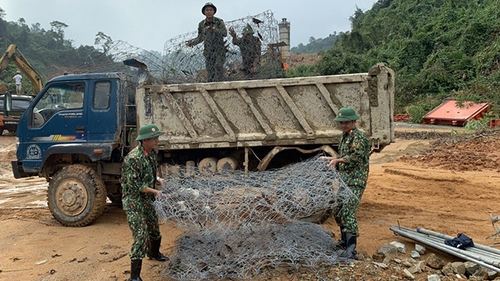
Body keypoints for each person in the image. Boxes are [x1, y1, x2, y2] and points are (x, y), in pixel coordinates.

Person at [320, 107, 370, 261]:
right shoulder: (344, 136)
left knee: (348, 211)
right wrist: (331, 159)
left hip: (355, 181)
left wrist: (337, 160)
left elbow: (354, 157)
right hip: (345, 179)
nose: (342, 125)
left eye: (346, 122)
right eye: (341, 122)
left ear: (353, 121)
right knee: (338, 210)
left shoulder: (359, 138)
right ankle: (343, 240)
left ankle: (351, 248)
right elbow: (344, 155)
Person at [121, 124, 169, 281]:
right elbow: (137, 185)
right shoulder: (132, 158)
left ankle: (154, 253)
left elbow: (147, 175)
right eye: (154, 138)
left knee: (154, 229)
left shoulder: (150, 154)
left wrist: (158, 180)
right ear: (145, 140)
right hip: (134, 201)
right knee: (141, 235)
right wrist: (156, 192)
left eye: (157, 137)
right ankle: (134, 277)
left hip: (147, 199)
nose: (157, 140)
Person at [186, 2, 227, 82]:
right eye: (207, 10)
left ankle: (218, 83)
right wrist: (193, 42)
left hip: (219, 49)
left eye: (211, 10)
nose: (209, 12)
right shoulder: (201, 24)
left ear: (214, 12)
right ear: (204, 12)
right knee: (210, 69)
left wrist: (214, 29)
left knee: (218, 66)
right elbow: (200, 37)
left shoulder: (219, 22)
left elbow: (224, 33)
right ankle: (211, 85)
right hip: (208, 50)